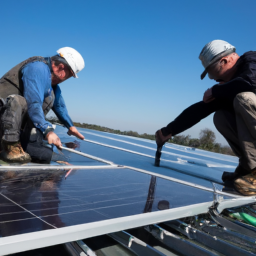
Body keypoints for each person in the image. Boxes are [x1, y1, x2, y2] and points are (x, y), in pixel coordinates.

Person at [155, 40, 256, 196]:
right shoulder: (230, 86)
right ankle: (249, 169)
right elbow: (201, 109)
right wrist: (168, 131)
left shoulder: (252, 60)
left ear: (224, 61)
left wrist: (216, 91)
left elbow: (250, 81)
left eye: (211, 71)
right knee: (221, 117)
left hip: (245, 90)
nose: (211, 78)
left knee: (245, 99)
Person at [0, 47, 85, 164]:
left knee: (47, 155)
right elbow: (33, 102)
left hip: (18, 128)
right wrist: (48, 131)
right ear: (61, 68)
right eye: (69, 75)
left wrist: (70, 126)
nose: (66, 79)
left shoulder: (52, 85)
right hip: (4, 121)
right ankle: (10, 148)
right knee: (18, 101)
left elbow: (60, 106)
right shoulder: (37, 68)